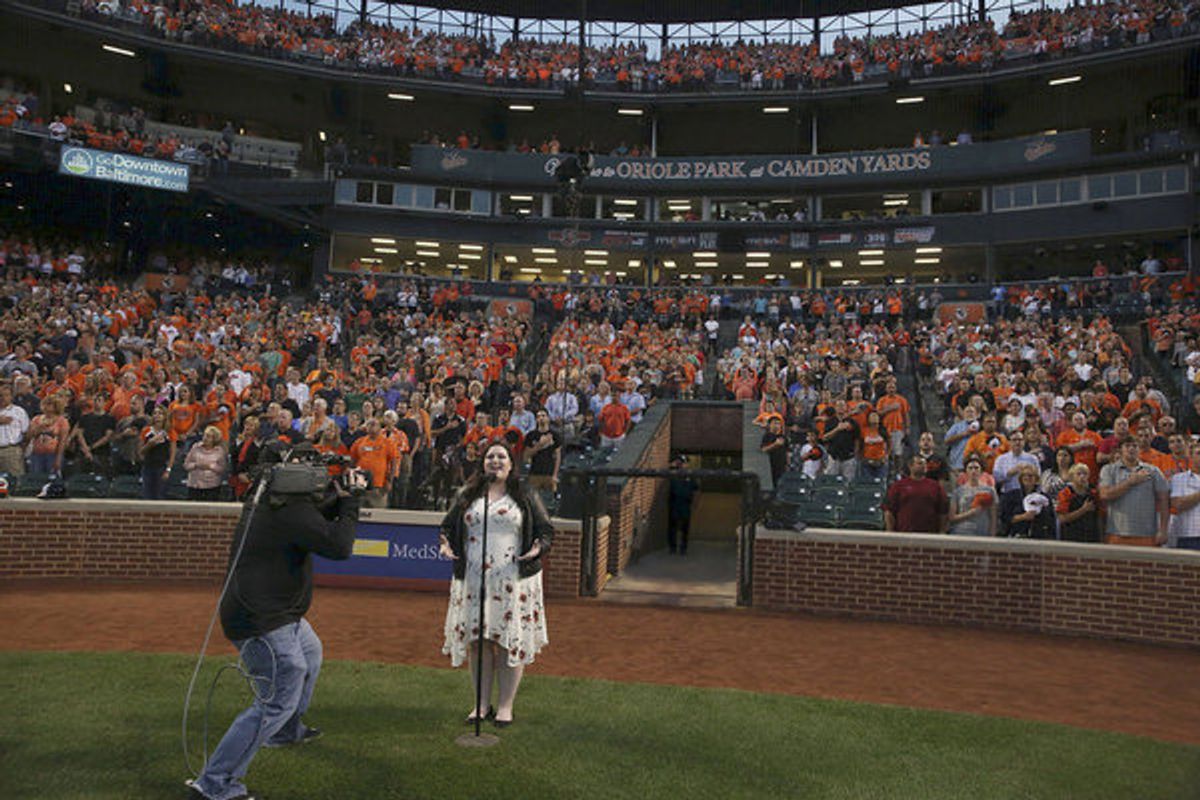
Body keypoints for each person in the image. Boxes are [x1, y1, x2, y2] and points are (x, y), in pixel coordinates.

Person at [186, 445, 365, 800]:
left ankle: (285, 731)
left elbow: (316, 516)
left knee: (310, 655)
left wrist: (342, 495)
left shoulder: (275, 503)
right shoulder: (290, 512)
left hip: (277, 612)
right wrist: (352, 501)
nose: (317, 477)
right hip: (260, 619)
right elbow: (339, 545)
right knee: (277, 696)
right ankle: (214, 785)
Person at [439, 443, 553, 728]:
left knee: (506, 642)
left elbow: (545, 529)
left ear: (511, 463)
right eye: (490, 456)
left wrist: (538, 547)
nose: (495, 460)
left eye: (501, 456)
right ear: (483, 463)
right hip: (475, 579)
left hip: (513, 580)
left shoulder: (525, 494)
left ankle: (505, 706)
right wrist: (444, 544)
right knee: (478, 642)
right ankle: (480, 705)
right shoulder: (468, 494)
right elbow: (447, 526)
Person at [1098, 438, 1169, 546]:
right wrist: (1130, 482)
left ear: (1139, 449)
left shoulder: (1153, 471)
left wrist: (1163, 530)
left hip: (1147, 534)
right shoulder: (1108, 470)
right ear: (1120, 450)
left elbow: (1164, 500)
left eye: (1135, 446)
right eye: (1127, 446)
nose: (1131, 449)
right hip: (1117, 533)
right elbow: (1105, 494)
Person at [883, 456, 948, 533]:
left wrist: (942, 532)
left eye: (925, 464)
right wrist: (890, 531)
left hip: (929, 535)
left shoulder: (935, 486)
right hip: (903, 533)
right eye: (920, 463)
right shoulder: (898, 486)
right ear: (910, 466)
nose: (924, 466)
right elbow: (889, 511)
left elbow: (943, 512)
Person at [999, 464, 1056, 539]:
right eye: (1024, 475)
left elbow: (1051, 519)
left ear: (1036, 479)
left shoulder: (1045, 498)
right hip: (1016, 535)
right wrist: (1023, 517)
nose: (1027, 478)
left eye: (1030, 475)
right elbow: (1005, 518)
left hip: (1039, 537)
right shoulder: (1010, 496)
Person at [947, 455, 997, 536]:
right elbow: (951, 517)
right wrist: (971, 513)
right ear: (966, 471)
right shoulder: (958, 492)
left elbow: (993, 516)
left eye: (976, 468)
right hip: (961, 532)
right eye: (970, 468)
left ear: (981, 471)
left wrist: (992, 535)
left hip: (982, 532)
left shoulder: (990, 490)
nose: (973, 471)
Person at [1056, 464, 1101, 543]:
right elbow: (1062, 519)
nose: (1082, 477)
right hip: (1071, 535)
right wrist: (1083, 510)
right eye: (1079, 474)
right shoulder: (1066, 493)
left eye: (1085, 474)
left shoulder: (1093, 493)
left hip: (1090, 535)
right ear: (1072, 476)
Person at [184, 425, 230, 501]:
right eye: (205, 435)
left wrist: (210, 466)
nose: (205, 438)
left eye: (208, 436)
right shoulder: (195, 447)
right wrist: (196, 465)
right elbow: (186, 465)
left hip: (212, 486)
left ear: (214, 439)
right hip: (195, 485)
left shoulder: (219, 451)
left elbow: (222, 469)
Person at [1168, 440, 1200, 550]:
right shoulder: (1178, 478)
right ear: (1190, 456)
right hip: (1189, 535)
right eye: (1199, 453)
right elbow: (1178, 504)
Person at [667, 455, 699, 555]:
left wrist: (695, 504)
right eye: (680, 462)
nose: (682, 464)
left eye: (684, 462)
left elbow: (696, 489)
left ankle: (683, 548)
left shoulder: (690, 476)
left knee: (685, 527)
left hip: (685, 504)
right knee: (673, 526)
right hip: (675, 503)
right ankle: (673, 547)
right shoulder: (673, 473)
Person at [524, 410, 561, 492]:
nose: (541, 418)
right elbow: (526, 456)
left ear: (548, 418)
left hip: (549, 473)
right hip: (535, 473)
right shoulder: (531, 435)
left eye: (543, 416)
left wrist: (555, 475)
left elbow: (558, 457)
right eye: (538, 416)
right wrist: (539, 445)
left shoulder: (555, 435)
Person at [0, 382, 30, 476]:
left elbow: (26, 432)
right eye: (0, 395)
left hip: (11, 451)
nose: (2, 398)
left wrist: (22, 449)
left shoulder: (19, 411)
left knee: (15, 481)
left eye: (6, 395)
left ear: (11, 396)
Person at [761, 416, 789, 487]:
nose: (777, 425)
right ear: (770, 425)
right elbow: (763, 449)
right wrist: (775, 444)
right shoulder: (767, 436)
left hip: (782, 465)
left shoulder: (783, 437)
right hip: (771, 465)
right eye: (775, 423)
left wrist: (788, 463)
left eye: (779, 424)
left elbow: (787, 451)